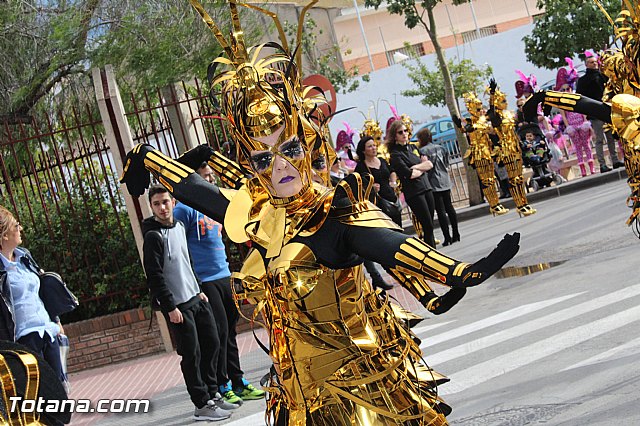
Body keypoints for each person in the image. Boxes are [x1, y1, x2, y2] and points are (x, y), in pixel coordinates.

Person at [120, 1, 520, 423]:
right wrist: (148, 157)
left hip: (356, 390)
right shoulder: (261, 216)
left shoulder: (334, 214)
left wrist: (458, 272)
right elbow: (202, 193)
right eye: (263, 159)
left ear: (305, 147)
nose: (279, 167)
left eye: (288, 150)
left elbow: (388, 243)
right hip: (298, 393)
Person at [173, 163, 265, 405]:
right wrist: (193, 283)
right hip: (205, 281)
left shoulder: (214, 208)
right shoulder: (184, 210)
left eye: (212, 177)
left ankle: (238, 381)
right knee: (219, 333)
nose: (211, 181)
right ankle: (222, 384)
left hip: (224, 275)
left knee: (231, 331)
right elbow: (179, 249)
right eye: (206, 178)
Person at [142, 185, 235, 422]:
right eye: (157, 204)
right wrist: (169, 307)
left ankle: (213, 393)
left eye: (165, 202)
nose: (162, 208)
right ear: (151, 207)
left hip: (196, 297)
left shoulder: (180, 226)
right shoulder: (153, 237)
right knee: (191, 354)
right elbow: (155, 276)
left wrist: (198, 289)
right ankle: (201, 404)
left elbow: (186, 260)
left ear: (173, 202)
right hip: (178, 306)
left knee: (213, 343)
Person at [0, 205, 69, 391]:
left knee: (59, 390)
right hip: (24, 339)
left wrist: (56, 320)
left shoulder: (25, 257)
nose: (20, 229)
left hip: (47, 331)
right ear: (5, 235)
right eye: (16, 226)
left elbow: (42, 292)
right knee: (37, 393)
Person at [354, 135, 399, 291]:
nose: (373, 148)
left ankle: (399, 268)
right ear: (363, 150)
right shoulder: (361, 167)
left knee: (398, 234)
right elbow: (358, 187)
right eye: (370, 146)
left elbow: (391, 171)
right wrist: (370, 188)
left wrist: (393, 182)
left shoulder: (381, 160)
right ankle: (391, 270)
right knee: (386, 238)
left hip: (392, 200)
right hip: (378, 205)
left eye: (374, 145)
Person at [487, 79, 537, 217]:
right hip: (506, 149)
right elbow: (491, 111)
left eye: (505, 100)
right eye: (502, 101)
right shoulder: (496, 117)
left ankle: (525, 203)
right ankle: (519, 205)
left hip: (515, 147)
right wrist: (492, 95)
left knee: (519, 178)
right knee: (513, 179)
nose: (505, 102)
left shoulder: (509, 114)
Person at [387, 120, 438, 247]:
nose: (404, 134)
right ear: (395, 136)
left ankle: (431, 253)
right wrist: (421, 167)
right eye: (400, 132)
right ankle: (432, 255)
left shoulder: (413, 147)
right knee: (427, 225)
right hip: (414, 192)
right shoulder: (395, 154)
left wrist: (416, 167)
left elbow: (429, 164)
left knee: (430, 224)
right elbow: (409, 174)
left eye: (405, 131)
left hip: (426, 187)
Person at [576, 52, 624, 172]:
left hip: (607, 108)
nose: (595, 64)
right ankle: (602, 164)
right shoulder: (583, 80)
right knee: (599, 138)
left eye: (595, 62)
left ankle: (615, 160)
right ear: (587, 65)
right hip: (595, 112)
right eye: (592, 62)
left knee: (611, 136)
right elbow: (580, 97)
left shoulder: (603, 75)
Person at [416, 128, 460, 246]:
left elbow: (425, 167)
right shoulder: (441, 148)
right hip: (445, 179)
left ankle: (447, 237)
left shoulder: (422, 151)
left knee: (440, 211)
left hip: (433, 182)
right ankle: (456, 233)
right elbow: (447, 163)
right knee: (449, 207)